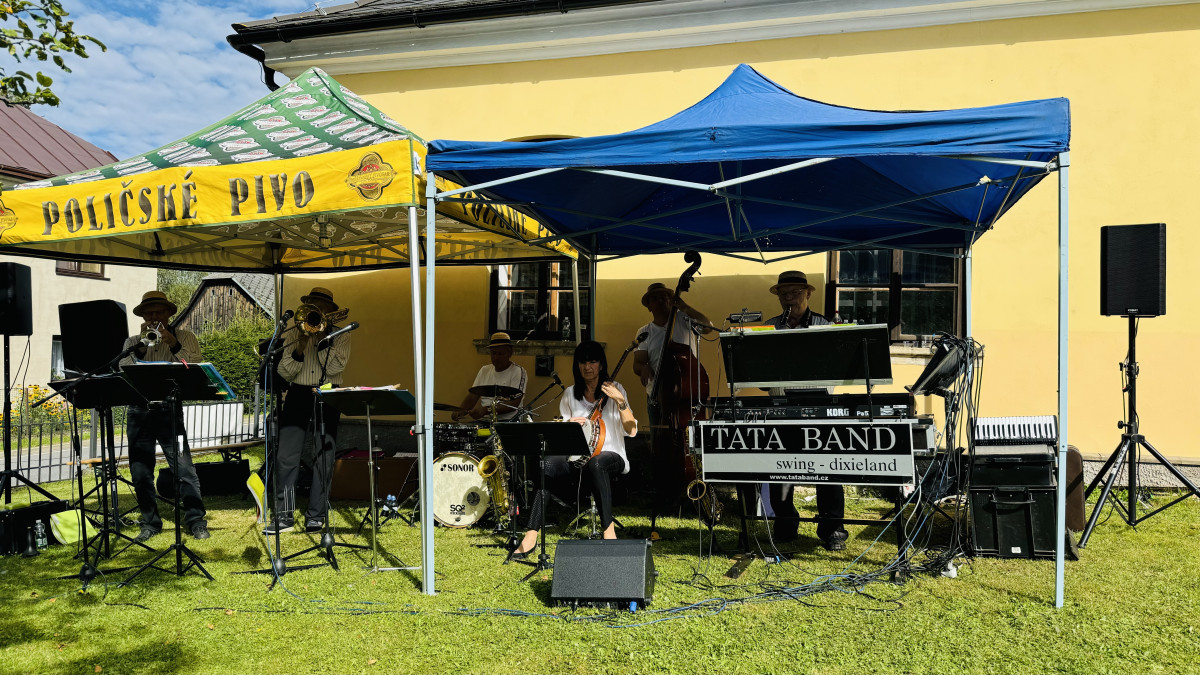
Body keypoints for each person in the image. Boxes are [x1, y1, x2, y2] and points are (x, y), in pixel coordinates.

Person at [509, 341, 637, 558]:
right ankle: (531, 535)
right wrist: (569, 426)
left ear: (601, 364)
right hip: (578, 458)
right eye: (583, 362)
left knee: (597, 463)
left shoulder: (616, 389)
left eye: (593, 361)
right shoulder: (570, 393)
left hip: (611, 455)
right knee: (546, 463)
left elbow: (631, 430)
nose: (588, 367)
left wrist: (621, 401)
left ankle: (609, 533)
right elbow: (563, 441)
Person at [764, 270, 848, 551]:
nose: (789, 298)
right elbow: (761, 378)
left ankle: (832, 528)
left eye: (795, 293)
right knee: (780, 469)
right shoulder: (770, 327)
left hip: (819, 408)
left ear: (808, 294)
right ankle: (785, 525)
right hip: (781, 407)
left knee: (828, 469)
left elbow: (837, 367)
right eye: (784, 294)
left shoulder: (826, 325)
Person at [119, 290, 209, 541]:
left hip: (170, 412)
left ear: (169, 313)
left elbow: (196, 366)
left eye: (159, 312)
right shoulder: (132, 342)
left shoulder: (186, 337)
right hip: (139, 412)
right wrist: (141, 349)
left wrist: (173, 343)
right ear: (143, 317)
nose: (154, 317)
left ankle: (196, 520)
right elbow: (123, 371)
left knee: (183, 467)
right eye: (149, 314)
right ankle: (150, 523)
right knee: (140, 472)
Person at [629, 282, 714, 536]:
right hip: (659, 399)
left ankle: (697, 495)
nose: (662, 301)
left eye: (665, 297)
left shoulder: (686, 321)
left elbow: (709, 326)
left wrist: (683, 306)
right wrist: (644, 367)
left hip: (689, 401)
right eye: (655, 298)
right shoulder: (645, 331)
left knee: (693, 449)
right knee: (661, 450)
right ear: (649, 305)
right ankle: (667, 496)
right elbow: (637, 363)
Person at [266, 286, 352, 534]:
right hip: (298, 393)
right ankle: (284, 515)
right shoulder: (296, 333)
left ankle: (316, 514)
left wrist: (322, 339)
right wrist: (300, 347)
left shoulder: (342, 334)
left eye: (322, 307)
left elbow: (335, 368)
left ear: (330, 312)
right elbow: (285, 372)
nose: (317, 311)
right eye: (313, 306)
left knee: (324, 455)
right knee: (286, 455)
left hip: (329, 393)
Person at [452, 332, 527, 422]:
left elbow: (514, 403)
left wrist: (486, 410)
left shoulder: (518, 371)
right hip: (485, 420)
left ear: (509, 353)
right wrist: (461, 410)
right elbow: (473, 396)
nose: (496, 357)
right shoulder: (484, 370)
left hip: (508, 422)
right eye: (493, 353)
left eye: (500, 354)